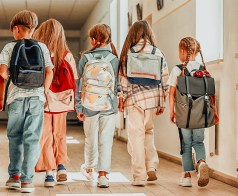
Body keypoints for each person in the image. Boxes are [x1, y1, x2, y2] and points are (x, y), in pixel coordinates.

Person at [0, 10, 54, 193]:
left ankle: (14, 176)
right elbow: (49, 72)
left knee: (15, 137)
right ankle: (27, 181)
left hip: (16, 98)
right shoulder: (42, 47)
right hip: (36, 98)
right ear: (33, 28)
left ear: (16, 29)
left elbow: (2, 73)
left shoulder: (9, 47)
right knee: (33, 138)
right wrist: (43, 92)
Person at [118, 20, 169, 186]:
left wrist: (121, 97)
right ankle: (151, 166)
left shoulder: (128, 53)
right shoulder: (157, 52)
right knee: (149, 132)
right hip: (153, 99)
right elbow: (165, 78)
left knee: (136, 136)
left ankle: (139, 175)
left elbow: (123, 80)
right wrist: (162, 102)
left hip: (134, 101)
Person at [33, 18, 78, 187]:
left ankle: (49, 173)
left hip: (43, 100)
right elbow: (75, 78)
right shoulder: (67, 54)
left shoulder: (39, 52)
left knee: (44, 136)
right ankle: (61, 167)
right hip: (62, 100)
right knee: (60, 133)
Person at [76, 23, 119, 188]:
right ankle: (103, 175)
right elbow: (116, 87)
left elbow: (80, 84)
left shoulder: (85, 58)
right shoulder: (114, 59)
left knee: (90, 139)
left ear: (93, 40)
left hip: (89, 105)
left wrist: (79, 107)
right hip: (109, 106)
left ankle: (89, 169)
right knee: (106, 140)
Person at [168, 37, 211, 187]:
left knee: (185, 144)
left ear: (182, 51)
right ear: (197, 52)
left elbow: (171, 93)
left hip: (183, 114)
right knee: (198, 142)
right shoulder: (203, 69)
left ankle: (186, 177)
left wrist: (172, 112)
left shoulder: (177, 70)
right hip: (201, 114)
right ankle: (202, 163)